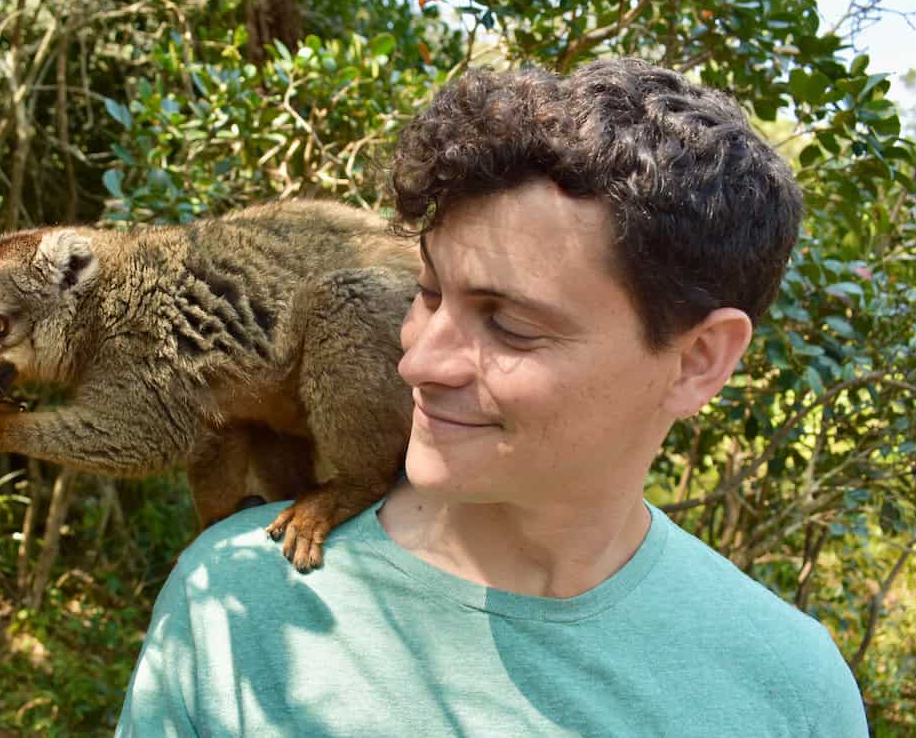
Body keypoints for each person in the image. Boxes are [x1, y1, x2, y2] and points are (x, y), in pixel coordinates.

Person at [115, 58, 869, 736]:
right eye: (427, 293)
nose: (420, 359)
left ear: (699, 360)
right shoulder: (236, 604)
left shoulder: (789, 691)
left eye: (509, 327)